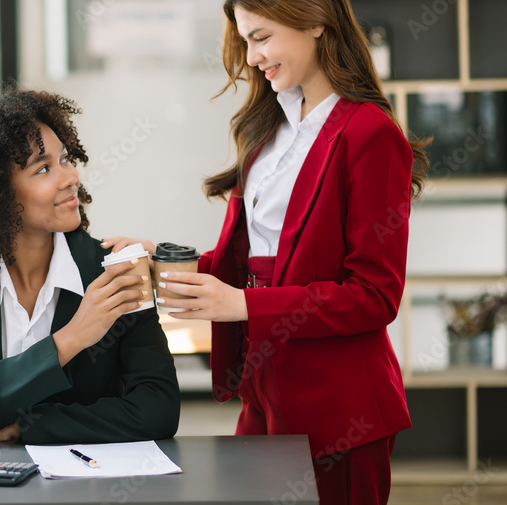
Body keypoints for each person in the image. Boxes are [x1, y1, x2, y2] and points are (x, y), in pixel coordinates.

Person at [104, 1, 429, 503]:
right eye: (245, 41)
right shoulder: (267, 132)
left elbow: (374, 295)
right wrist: (162, 262)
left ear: (316, 21)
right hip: (265, 389)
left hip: (339, 409)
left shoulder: (369, 135)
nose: (252, 57)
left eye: (261, 37)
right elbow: (252, 267)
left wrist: (242, 306)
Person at [0, 90, 180, 446]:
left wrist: (26, 427)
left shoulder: (115, 271)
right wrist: (71, 338)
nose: (71, 177)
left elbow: (158, 410)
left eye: (65, 158)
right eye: (44, 168)